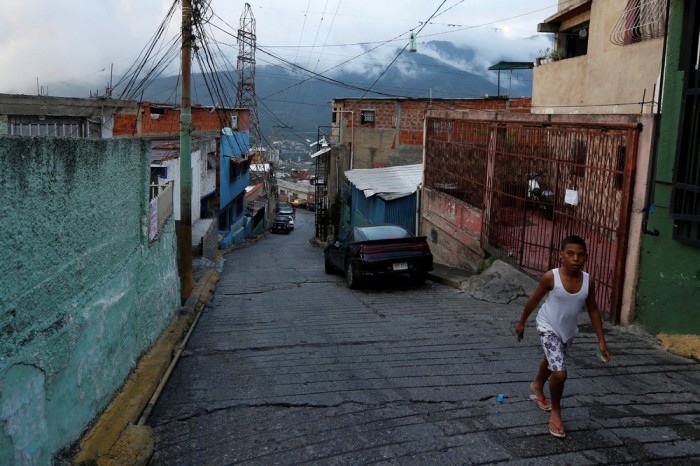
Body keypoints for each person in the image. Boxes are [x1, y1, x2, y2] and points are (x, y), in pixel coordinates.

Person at [514, 234, 609, 439]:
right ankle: (556, 413)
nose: (575, 258)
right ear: (561, 256)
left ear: (586, 257)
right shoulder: (551, 277)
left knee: (552, 360)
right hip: (547, 325)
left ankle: (537, 385)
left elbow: (593, 310)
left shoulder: (588, 281)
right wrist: (522, 322)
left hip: (567, 331)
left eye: (580, 255)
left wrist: (601, 340)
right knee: (560, 373)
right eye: (570, 254)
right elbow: (533, 300)